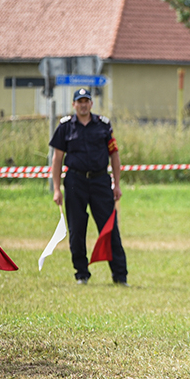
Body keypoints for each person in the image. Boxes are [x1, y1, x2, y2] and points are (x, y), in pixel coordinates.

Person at [49, 87, 128, 286]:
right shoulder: (65, 127)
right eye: (80, 102)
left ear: (91, 103)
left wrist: (117, 184)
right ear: (74, 104)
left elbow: (114, 155)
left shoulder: (103, 125)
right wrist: (57, 189)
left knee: (109, 228)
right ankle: (81, 274)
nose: (83, 105)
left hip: (100, 181)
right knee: (77, 229)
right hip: (75, 182)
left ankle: (120, 276)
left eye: (86, 101)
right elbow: (57, 159)